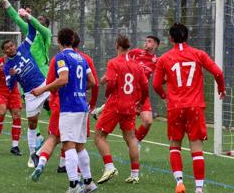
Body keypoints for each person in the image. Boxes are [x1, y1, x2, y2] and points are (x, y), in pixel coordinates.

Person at [153, 23, 226, 193]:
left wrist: (165, 96)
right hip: (195, 107)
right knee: (197, 150)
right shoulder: (198, 54)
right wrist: (221, 88)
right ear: (187, 37)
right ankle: (199, 189)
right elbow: (218, 73)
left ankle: (179, 182)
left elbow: (156, 85)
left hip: (175, 107)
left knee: (174, 145)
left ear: (171, 39)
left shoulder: (164, 58)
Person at [31, 28, 96, 193]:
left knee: (68, 145)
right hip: (82, 105)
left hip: (70, 107)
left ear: (58, 41)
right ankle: (88, 182)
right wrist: (79, 89)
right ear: (73, 39)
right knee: (80, 146)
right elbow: (92, 82)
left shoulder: (61, 57)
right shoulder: (82, 58)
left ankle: (74, 184)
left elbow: (63, 79)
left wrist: (42, 90)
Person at [0, 0, 52, 147]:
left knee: (51, 106)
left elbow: (37, 26)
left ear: (45, 25)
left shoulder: (45, 34)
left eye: (40, 20)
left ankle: (55, 129)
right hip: (26, 77)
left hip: (43, 75)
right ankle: (39, 137)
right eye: (36, 19)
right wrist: (7, 4)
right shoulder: (29, 32)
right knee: (32, 113)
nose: (37, 21)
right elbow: (15, 17)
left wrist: (29, 16)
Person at [95, 34, 149, 185]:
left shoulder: (113, 62)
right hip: (130, 105)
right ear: (129, 47)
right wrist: (141, 102)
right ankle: (135, 174)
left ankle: (109, 167)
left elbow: (111, 82)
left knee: (99, 135)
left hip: (115, 104)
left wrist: (107, 93)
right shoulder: (137, 65)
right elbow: (145, 87)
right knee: (131, 139)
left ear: (116, 45)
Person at [128, 36, 160, 144]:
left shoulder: (157, 61)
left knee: (148, 121)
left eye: (149, 41)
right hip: (129, 91)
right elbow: (121, 59)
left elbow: (162, 78)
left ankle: (136, 143)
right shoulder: (135, 52)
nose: (146, 43)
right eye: (145, 41)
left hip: (142, 93)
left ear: (155, 45)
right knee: (127, 123)